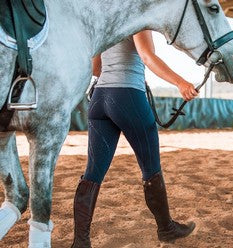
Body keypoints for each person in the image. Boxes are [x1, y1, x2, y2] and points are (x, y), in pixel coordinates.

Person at [71, 30, 198, 248]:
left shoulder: (108, 19)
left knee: (92, 172)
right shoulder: (137, 19)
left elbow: (96, 67)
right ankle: (166, 228)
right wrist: (180, 82)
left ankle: (80, 241)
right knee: (151, 168)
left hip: (99, 99)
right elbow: (148, 57)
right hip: (128, 94)